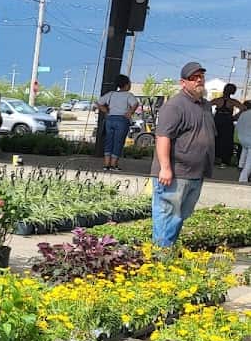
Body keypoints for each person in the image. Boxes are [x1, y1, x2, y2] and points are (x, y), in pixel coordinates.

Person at [150, 61, 215, 246]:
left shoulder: (205, 106)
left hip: (195, 173)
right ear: (183, 82)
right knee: (167, 214)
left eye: (201, 77)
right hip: (175, 173)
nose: (198, 81)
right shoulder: (175, 106)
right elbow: (163, 137)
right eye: (193, 78)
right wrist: (165, 168)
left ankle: (168, 251)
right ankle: (160, 256)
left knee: (179, 216)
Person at [97, 74, 139, 170]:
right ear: (126, 85)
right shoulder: (128, 95)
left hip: (110, 119)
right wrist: (130, 112)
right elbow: (135, 103)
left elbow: (99, 103)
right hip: (122, 120)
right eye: (130, 83)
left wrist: (106, 111)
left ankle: (106, 164)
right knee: (118, 142)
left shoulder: (111, 94)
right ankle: (113, 165)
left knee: (109, 141)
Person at [210, 82, 243, 166]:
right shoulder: (232, 102)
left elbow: (206, 106)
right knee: (227, 141)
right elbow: (243, 108)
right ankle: (225, 160)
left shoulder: (218, 100)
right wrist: (235, 117)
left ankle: (214, 158)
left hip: (217, 120)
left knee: (215, 139)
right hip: (228, 121)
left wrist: (210, 116)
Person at [236, 105, 251, 184]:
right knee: (249, 161)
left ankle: (240, 165)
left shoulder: (243, 114)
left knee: (244, 151)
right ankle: (243, 178)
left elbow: (237, 126)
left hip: (242, 139)